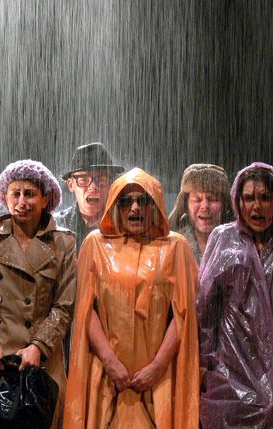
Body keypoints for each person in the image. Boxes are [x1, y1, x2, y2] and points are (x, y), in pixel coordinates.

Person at [63, 168, 199, 429]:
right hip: (107, 379)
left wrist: (157, 367)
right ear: (116, 205)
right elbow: (85, 310)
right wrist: (110, 362)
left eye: (143, 200)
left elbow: (184, 315)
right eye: (126, 201)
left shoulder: (176, 247)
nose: (135, 207)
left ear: (155, 203)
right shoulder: (95, 245)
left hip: (159, 381)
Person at [197, 162, 273, 428]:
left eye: (265, 198)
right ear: (238, 201)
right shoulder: (222, 239)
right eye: (249, 198)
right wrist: (203, 366)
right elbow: (205, 311)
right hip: (230, 377)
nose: (256, 207)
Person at [0, 160, 76, 428]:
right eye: (16, 194)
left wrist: (38, 346)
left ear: (45, 198)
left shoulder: (64, 242)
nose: (22, 202)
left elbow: (64, 306)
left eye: (30, 194)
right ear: (5, 197)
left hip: (42, 362)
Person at [55, 142, 124, 250]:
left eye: (101, 179)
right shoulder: (55, 227)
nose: (93, 187)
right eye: (83, 179)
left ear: (112, 184)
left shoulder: (126, 225)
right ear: (71, 185)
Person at [168, 163, 232, 264]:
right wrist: (177, 212)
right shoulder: (174, 244)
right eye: (197, 199)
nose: (205, 206)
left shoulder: (238, 242)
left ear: (225, 205)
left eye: (212, 199)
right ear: (185, 205)